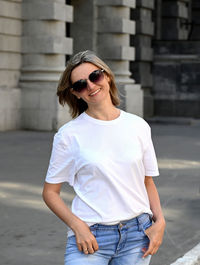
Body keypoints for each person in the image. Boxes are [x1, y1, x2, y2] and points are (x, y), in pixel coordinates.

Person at [42, 50, 166, 265]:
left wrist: (160, 222)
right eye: (80, 84)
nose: (90, 86)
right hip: (91, 236)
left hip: (138, 235)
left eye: (95, 76)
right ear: (76, 93)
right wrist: (77, 226)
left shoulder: (138, 126)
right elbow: (50, 192)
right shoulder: (69, 135)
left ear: (107, 76)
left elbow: (147, 181)